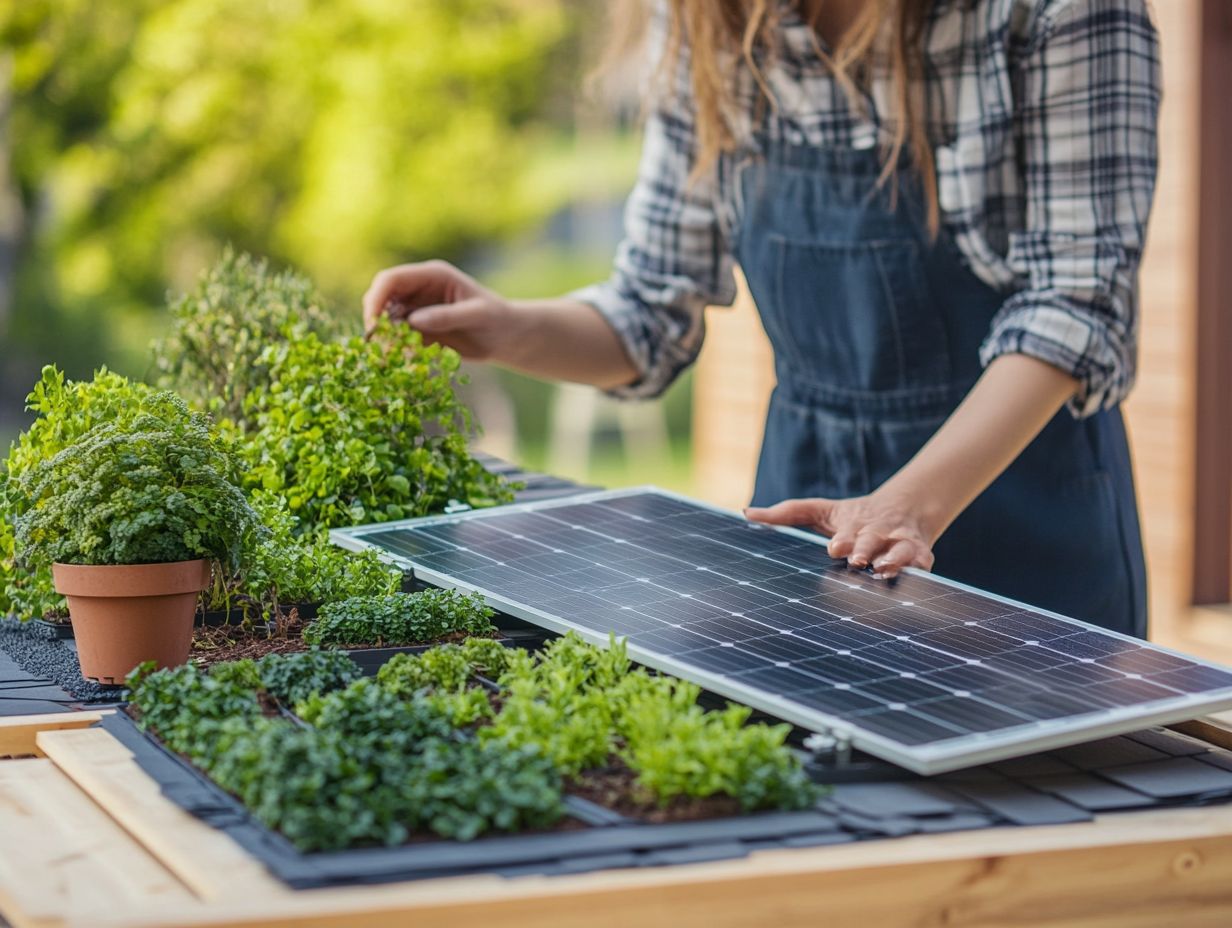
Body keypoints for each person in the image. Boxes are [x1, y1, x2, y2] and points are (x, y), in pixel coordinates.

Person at [362, 0, 1160, 638]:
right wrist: (501, 326)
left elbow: (1073, 307)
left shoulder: (1052, 13)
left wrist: (903, 510)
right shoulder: (712, 21)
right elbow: (649, 311)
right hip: (805, 521)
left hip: (1022, 522)